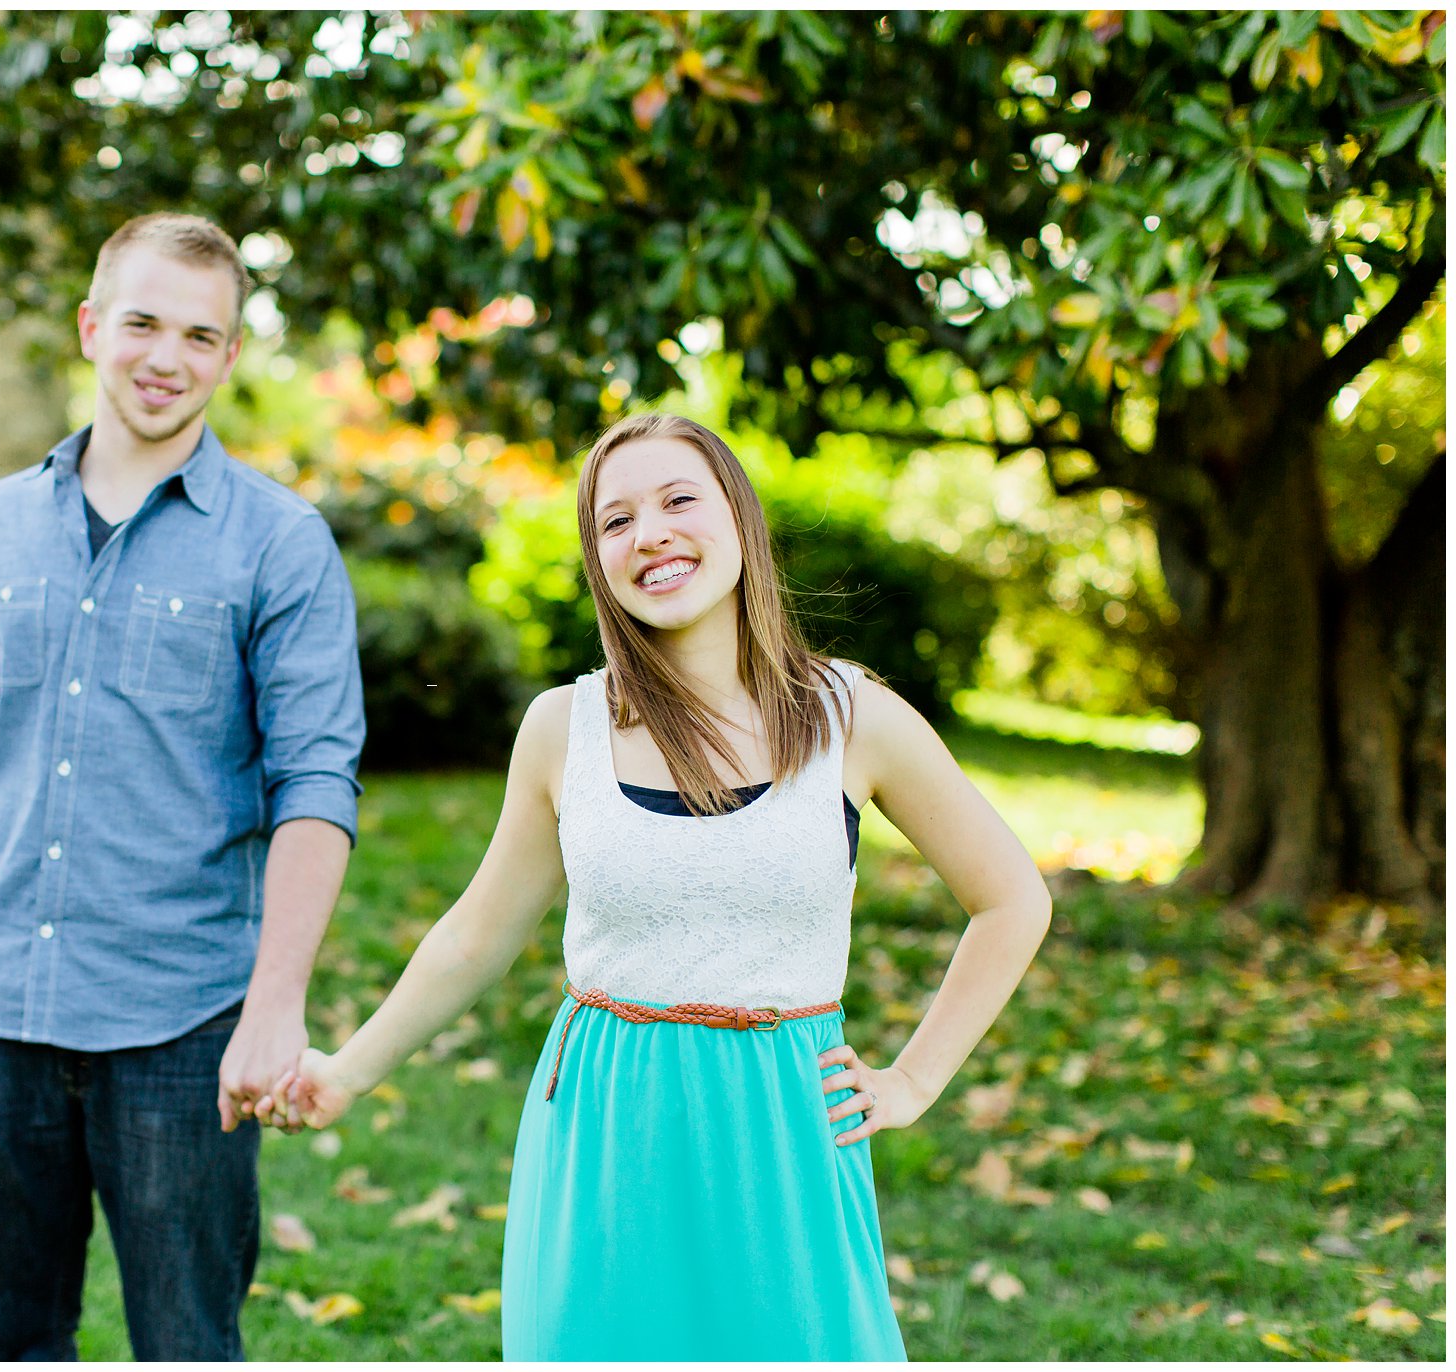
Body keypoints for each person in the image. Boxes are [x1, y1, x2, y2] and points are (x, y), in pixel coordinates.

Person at [269, 411, 1052, 1360]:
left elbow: (1011, 897)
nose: (652, 534)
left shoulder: (853, 716)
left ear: (739, 519)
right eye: (616, 521)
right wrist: (346, 1073)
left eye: (680, 499)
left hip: (781, 1128)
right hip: (605, 1130)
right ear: (599, 562)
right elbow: (478, 932)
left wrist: (915, 1079)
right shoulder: (566, 727)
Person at [0, 212, 364, 1362]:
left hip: (183, 1022)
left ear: (230, 356)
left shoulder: (280, 544)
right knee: (14, 1340)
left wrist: (275, 1000)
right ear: (92, 327)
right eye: (142, 322)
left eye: (201, 335)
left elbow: (315, 783)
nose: (166, 357)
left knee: (189, 1343)